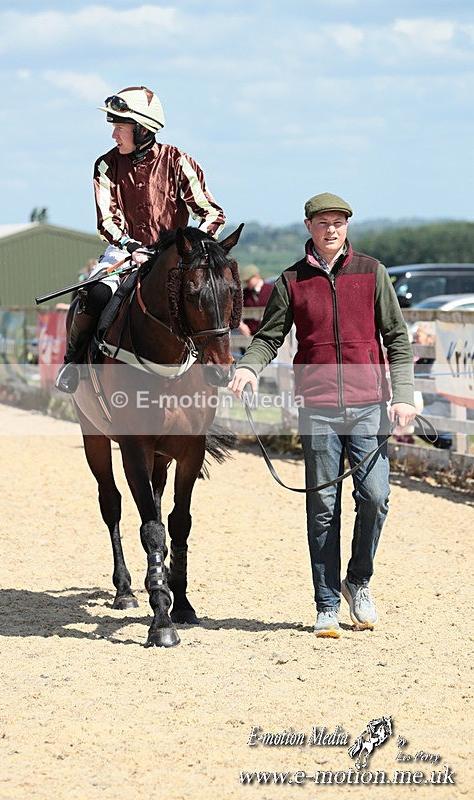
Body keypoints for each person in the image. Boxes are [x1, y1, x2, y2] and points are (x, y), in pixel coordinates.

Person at [229, 192, 416, 638]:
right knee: (323, 508)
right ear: (309, 227)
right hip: (317, 409)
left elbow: (397, 338)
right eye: (322, 222)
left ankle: (359, 580)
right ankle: (327, 603)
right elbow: (268, 336)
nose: (331, 229)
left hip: (370, 404)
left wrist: (403, 395)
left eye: (339, 222)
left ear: (347, 226)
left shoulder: (373, 273)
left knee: (375, 496)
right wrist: (249, 368)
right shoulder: (291, 281)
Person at [55, 85, 226, 393]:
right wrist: (131, 247)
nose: (113, 135)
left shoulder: (179, 161)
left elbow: (212, 214)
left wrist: (189, 251)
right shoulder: (105, 165)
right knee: (94, 294)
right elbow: (107, 219)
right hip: (124, 252)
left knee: (207, 298)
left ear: (142, 128)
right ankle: (74, 363)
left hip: (175, 258)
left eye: (119, 127)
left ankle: (213, 368)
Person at [237, 264, 274, 337]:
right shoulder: (244, 293)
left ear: (256, 276)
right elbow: (235, 311)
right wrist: (241, 325)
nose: (247, 283)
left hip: (269, 335)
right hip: (249, 336)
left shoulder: (272, 290)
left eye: (248, 280)